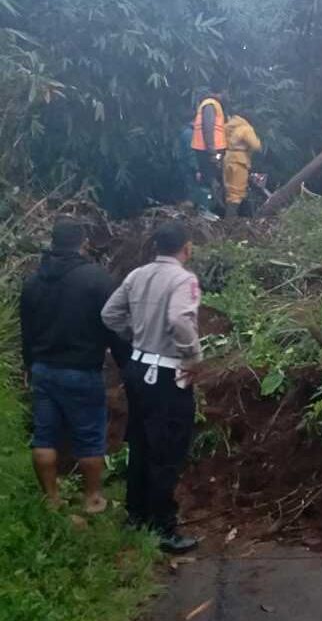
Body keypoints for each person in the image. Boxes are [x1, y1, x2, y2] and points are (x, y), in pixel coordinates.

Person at [102, 221, 202, 554]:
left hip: (137, 368)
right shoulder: (184, 279)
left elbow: (110, 314)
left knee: (142, 444)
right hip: (166, 374)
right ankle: (163, 527)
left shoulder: (137, 275)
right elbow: (179, 321)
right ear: (185, 248)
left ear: (156, 247)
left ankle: (136, 516)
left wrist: (136, 336)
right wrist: (193, 358)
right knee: (167, 450)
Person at [20, 218, 129, 514]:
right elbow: (114, 325)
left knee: (43, 435)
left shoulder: (32, 283)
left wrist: (30, 366)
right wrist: (126, 364)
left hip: (43, 370)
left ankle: (52, 500)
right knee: (90, 438)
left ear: (52, 243)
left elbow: (26, 332)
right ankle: (93, 498)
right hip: (81, 371)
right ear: (82, 243)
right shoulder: (96, 280)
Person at [190, 92, 228, 218]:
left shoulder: (211, 105)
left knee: (212, 180)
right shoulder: (211, 105)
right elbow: (208, 128)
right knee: (212, 181)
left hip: (209, 150)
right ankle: (211, 211)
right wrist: (213, 152)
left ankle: (212, 210)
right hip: (210, 151)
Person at [222, 108, 262, 219]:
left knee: (229, 190)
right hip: (240, 161)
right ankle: (230, 222)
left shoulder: (228, 127)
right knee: (237, 192)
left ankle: (226, 219)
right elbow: (256, 145)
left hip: (227, 158)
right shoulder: (246, 128)